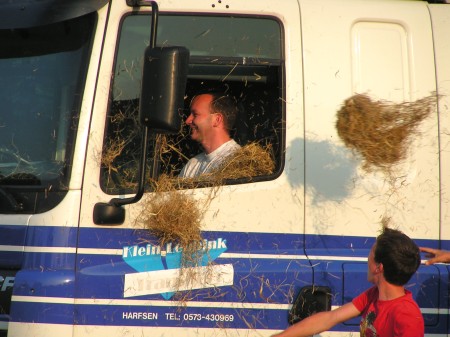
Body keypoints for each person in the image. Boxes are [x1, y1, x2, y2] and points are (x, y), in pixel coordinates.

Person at [272, 227, 424, 337]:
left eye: (370, 255)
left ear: (379, 267)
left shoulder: (407, 315)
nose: (367, 260)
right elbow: (330, 318)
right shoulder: (373, 296)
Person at [179, 91, 240, 178]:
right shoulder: (192, 165)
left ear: (217, 120)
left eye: (195, 114)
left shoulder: (239, 162)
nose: (187, 121)